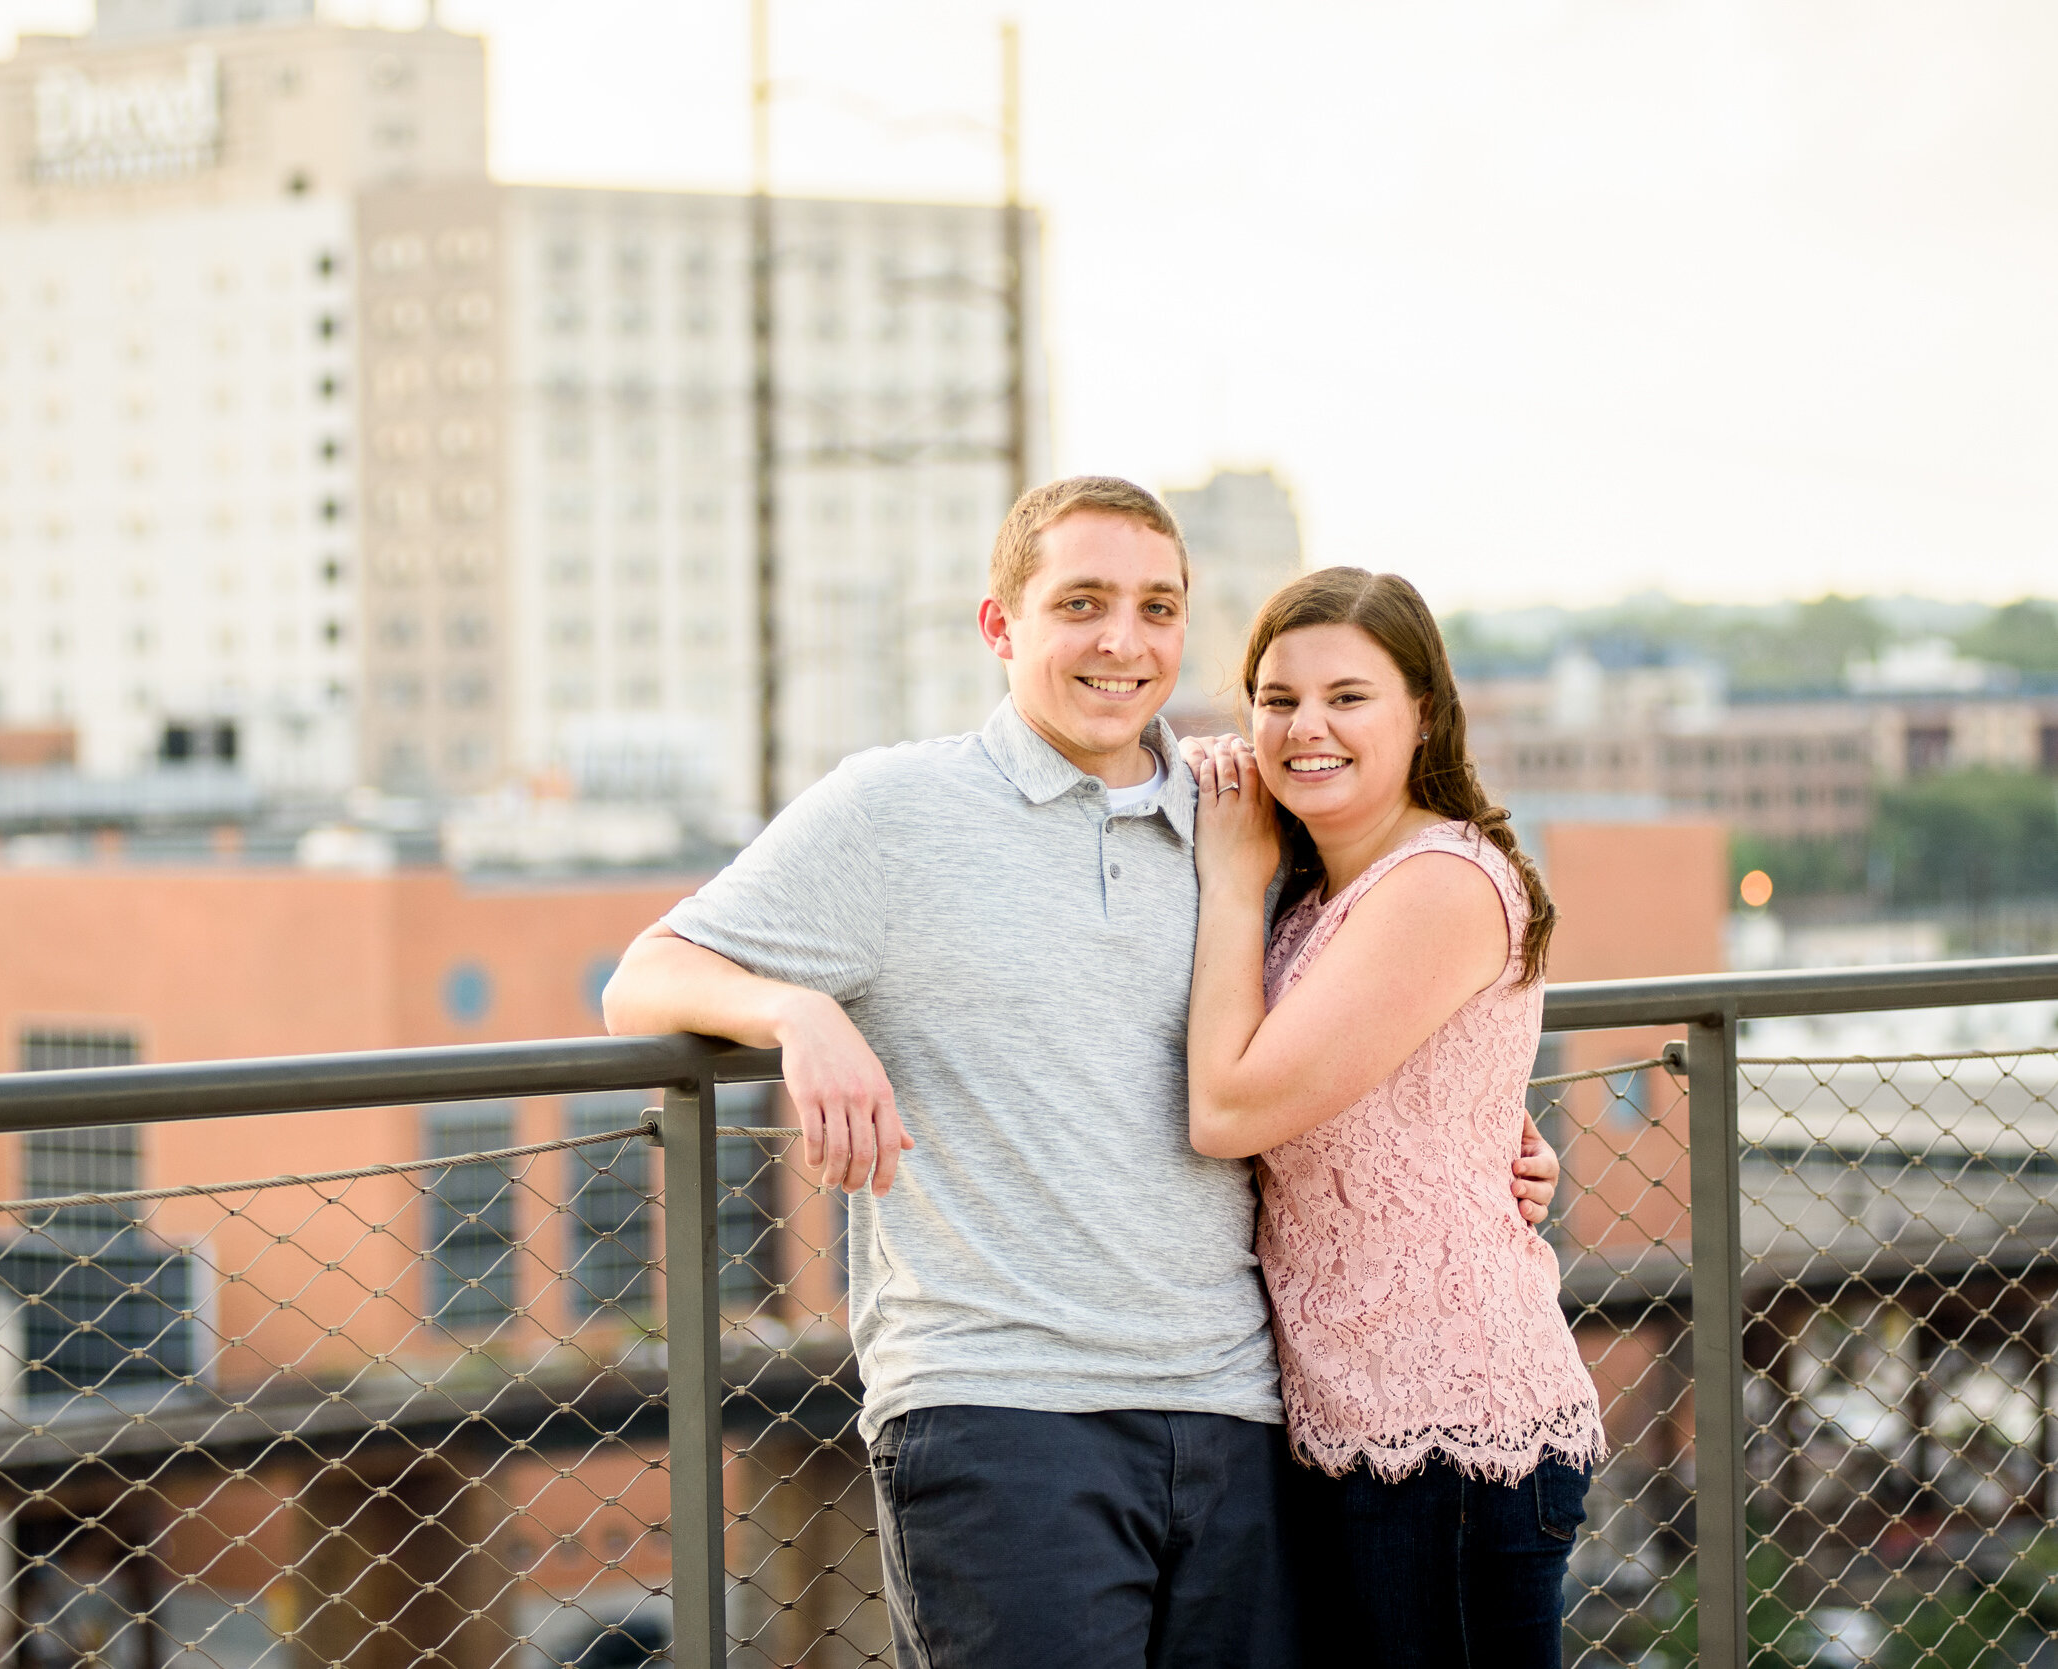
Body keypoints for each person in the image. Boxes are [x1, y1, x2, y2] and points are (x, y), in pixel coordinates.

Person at [602, 478, 1559, 1669]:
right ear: (1001, 625)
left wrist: (1486, 1150)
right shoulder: (892, 809)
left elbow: (1389, 1010)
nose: (1124, 641)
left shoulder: (1251, 813)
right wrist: (794, 1008)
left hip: (1245, 1409)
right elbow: (644, 975)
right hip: (1003, 1408)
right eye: (1083, 603)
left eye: (1159, 608)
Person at [1178, 567, 1606, 1669]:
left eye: (1346, 696)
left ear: (1423, 710)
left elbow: (1227, 1108)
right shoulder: (1319, 892)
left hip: (1453, 1438)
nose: (1303, 726)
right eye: (1275, 698)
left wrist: (1229, 884)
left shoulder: (1439, 883)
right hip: (1347, 1429)